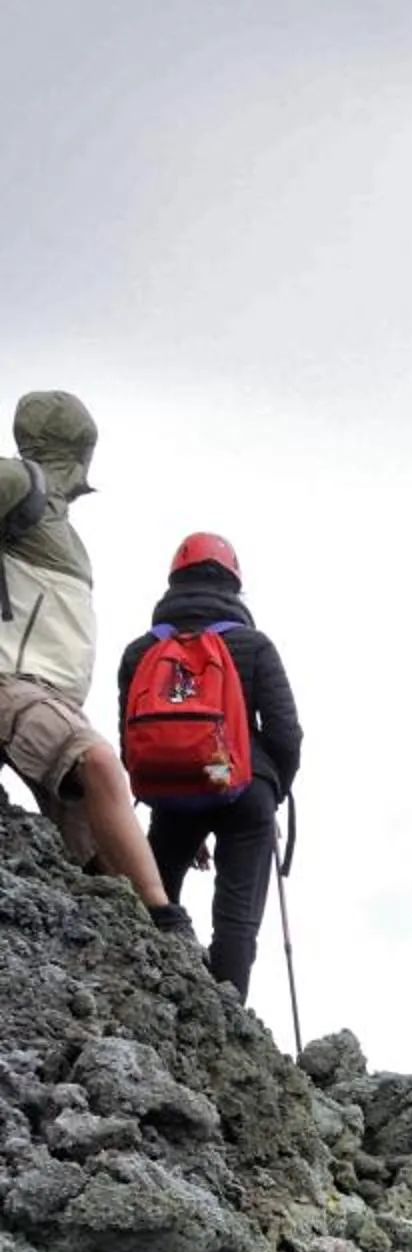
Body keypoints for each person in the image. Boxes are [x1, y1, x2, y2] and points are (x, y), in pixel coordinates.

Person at [0, 390, 190, 938]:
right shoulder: (20, 481)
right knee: (97, 761)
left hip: (50, 697)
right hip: (17, 685)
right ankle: (164, 916)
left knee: (99, 858)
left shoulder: (48, 514)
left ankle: (147, 944)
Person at [116, 532, 302, 999]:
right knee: (236, 916)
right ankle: (229, 1015)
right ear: (234, 586)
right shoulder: (254, 646)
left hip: (172, 791)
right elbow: (285, 733)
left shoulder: (141, 651)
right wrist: (268, 788)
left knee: (150, 897)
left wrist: (182, 790)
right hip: (240, 783)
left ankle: (155, 997)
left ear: (174, 584)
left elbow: (129, 741)